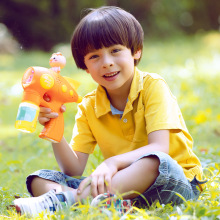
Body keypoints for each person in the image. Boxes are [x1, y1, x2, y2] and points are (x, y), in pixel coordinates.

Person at [13, 6, 206, 216]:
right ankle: (104, 202)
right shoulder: (89, 106)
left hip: (174, 183)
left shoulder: (153, 86)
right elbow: (73, 169)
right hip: (121, 187)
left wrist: (112, 162)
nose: (107, 63)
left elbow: (160, 147)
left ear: (136, 51)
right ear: (85, 66)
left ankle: (68, 199)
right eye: (94, 57)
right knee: (39, 179)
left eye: (115, 51)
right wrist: (54, 125)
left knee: (156, 161)